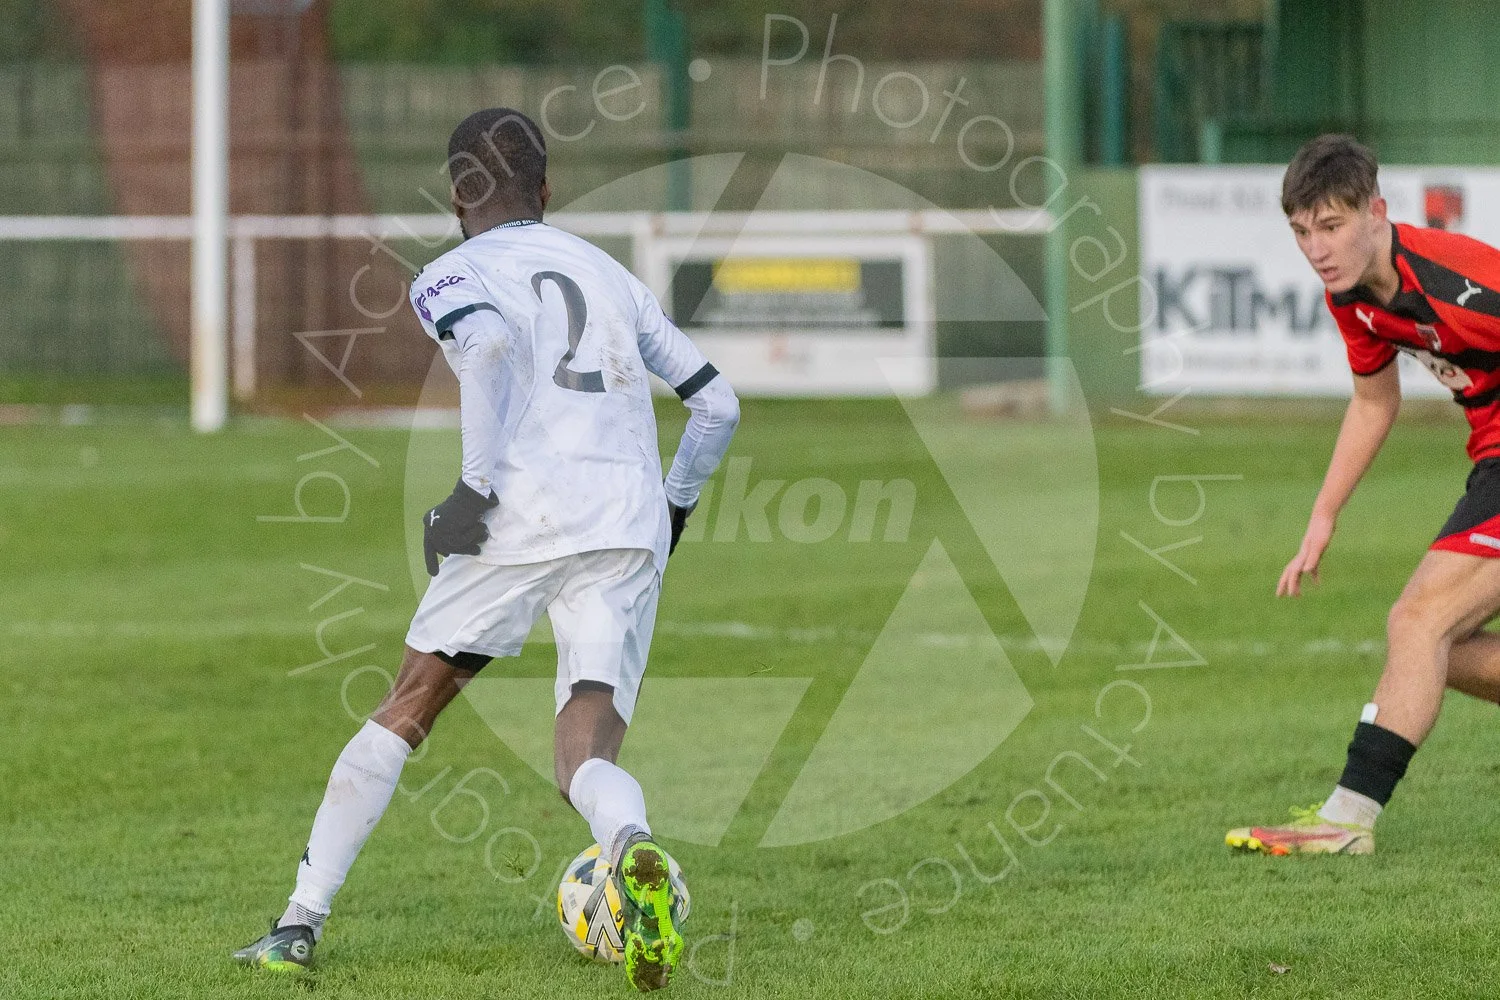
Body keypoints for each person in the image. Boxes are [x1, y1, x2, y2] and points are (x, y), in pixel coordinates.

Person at [232, 107, 739, 991]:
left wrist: (470, 493)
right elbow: (717, 405)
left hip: (520, 518)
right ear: (547, 190)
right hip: (625, 520)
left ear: (460, 194)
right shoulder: (610, 274)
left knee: (409, 706)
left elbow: (491, 343)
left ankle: (297, 925)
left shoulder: (448, 275)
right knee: (584, 752)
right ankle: (633, 847)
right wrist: (676, 514)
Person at [1227, 134, 1500, 856]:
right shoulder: (1350, 295)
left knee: (1418, 622)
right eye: (1301, 231)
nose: (1316, 247)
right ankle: (1345, 823)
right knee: (1439, 642)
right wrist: (1323, 516)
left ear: (1376, 213)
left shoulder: (1458, 280)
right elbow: (1373, 402)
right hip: (1492, 462)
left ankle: (1348, 821)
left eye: (1332, 225)